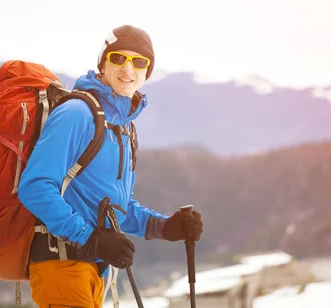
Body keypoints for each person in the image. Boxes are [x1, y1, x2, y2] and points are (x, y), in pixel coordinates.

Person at [18, 25, 204, 308]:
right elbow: (34, 187)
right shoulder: (77, 113)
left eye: (139, 62)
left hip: (94, 269)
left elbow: (117, 209)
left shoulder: (122, 126)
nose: (128, 69)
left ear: (147, 72)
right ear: (103, 63)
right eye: (118, 58)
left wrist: (164, 227)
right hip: (62, 264)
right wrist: (90, 238)